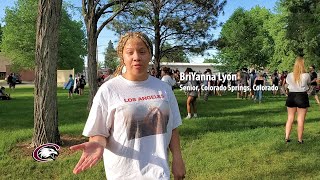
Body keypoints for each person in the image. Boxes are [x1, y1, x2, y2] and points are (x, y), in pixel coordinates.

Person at [70, 32, 186, 180]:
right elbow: (99, 132)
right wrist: (97, 143)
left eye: (142, 51)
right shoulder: (109, 90)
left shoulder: (164, 88)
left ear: (150, 54)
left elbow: (173, 127)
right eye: (130, 52)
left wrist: (177, 158)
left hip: (159, 174)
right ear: (122, 56)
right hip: (123, 174)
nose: (136, 57)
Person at [285, 56, 310, 144]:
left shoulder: (289, 75)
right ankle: (299, 139)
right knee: (301, 119)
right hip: (302, 96)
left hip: (291, 96)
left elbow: (286, 86)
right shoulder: (306, 75)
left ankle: (287, 137)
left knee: (290, 118)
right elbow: (309, 85)